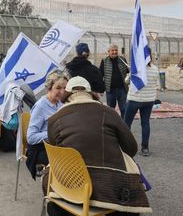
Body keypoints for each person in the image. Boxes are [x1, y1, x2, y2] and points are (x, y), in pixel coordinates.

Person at [46, 76, 151, 215]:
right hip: (109, 192)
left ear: (66, 96)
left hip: (68, 189)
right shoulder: (109, 112)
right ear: (91, 94)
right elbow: (131, 148)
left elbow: (56, 150)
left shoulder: (54, 119)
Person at [25, 70, 68, 180]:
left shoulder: (60, 103)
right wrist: (53, 134)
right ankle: (59, 191)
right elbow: (31, 137)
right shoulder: (40, 106)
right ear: (49, 87)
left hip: (56, 146)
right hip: (40, 149)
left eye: (64, 88)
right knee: (68, 162)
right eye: (58, 88)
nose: (62, 92)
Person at [123, 53, 159, 156]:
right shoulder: (155, 69)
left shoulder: (136, 69)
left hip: (134, 99)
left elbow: (127, 81)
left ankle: (125, 147)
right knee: (145, 123)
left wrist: (130, 72)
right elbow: (155, 82)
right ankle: (145, 148)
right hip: (149, 100)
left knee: (126, 124)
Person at [99, 44, 129, 117]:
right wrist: (101, 89)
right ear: (108, 52)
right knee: (110, 110)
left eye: (116, 50)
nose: (114, 52)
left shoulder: (122, 60)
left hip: (122, 89)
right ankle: (112, 126)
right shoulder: (104, 61)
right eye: (112, 50)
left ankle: (124, 126)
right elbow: (100, 75)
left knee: (124, 109)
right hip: (110, 90)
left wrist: (129, 69)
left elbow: (127, 72)